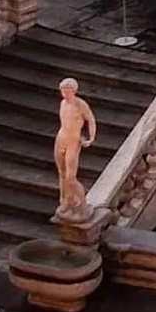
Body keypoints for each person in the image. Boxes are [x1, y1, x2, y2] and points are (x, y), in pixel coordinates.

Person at [54, 77, 97, 220]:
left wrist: (91, 137)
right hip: (61, 139)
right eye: (62, 91)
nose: (64, 94)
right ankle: (66, 200)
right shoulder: (62, 104)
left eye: (67, 91)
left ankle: (82, 204)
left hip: (73, 141)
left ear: (73, 91)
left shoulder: (80, 105)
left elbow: (90, 119)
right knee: (61, 172)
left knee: (70, 177)